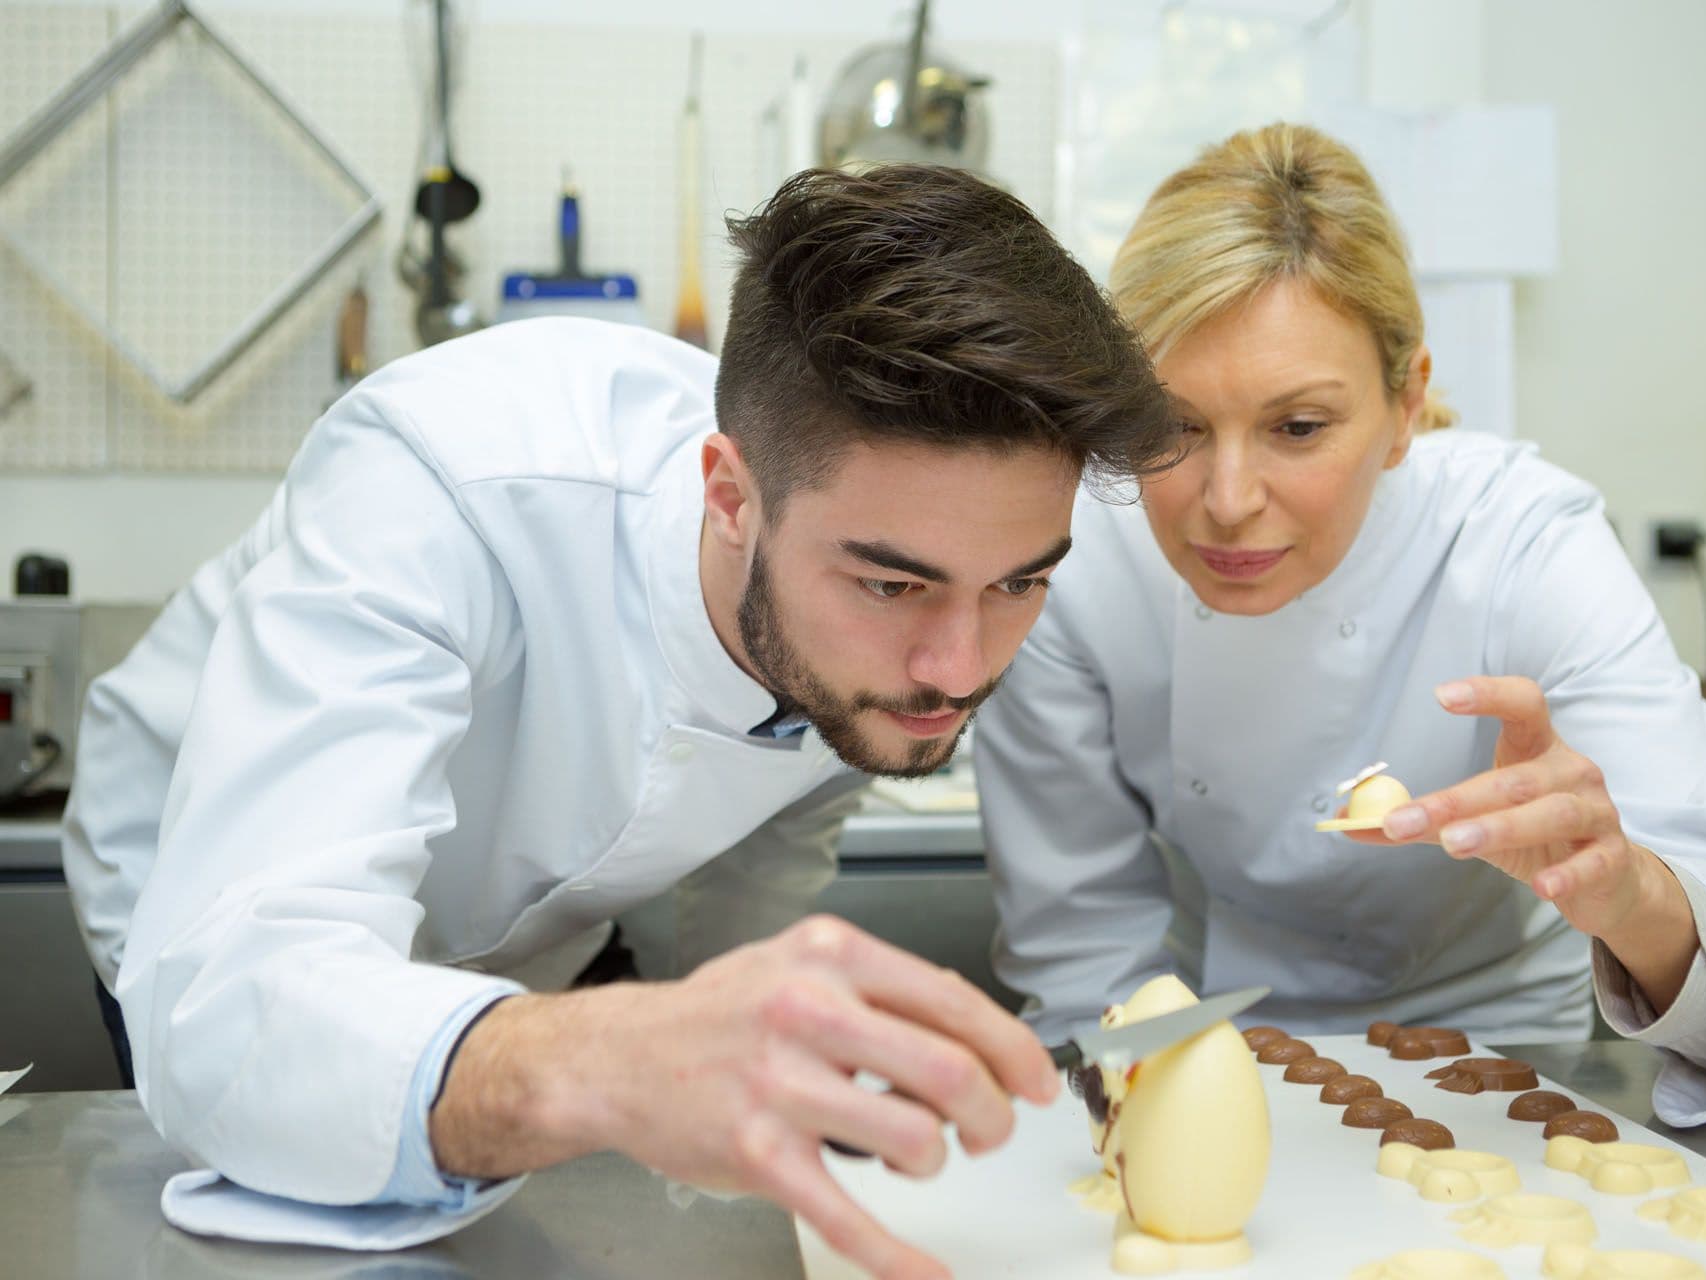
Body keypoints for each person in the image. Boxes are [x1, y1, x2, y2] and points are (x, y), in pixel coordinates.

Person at [63, 164, 1172, 1279]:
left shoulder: (886, 624)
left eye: (1020, 583)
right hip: (210, 904)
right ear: (730, 499)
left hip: (523, 962)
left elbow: (775, 834)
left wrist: (761, 1054)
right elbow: (234, 1006)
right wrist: (612, 1058)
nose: (959, 669)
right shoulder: (447, 488)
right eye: (891, 585)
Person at [973, 122, 1706, 1128]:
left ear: (1406, 405)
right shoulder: (1070, 562)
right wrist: (1159, 1117)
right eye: (1171, 427)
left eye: (1298, 427)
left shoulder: (1522, 541)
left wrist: (1630, 894)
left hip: (1504, 1064)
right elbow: (1083, 947)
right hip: (1202, 1054)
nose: (1227, 499)